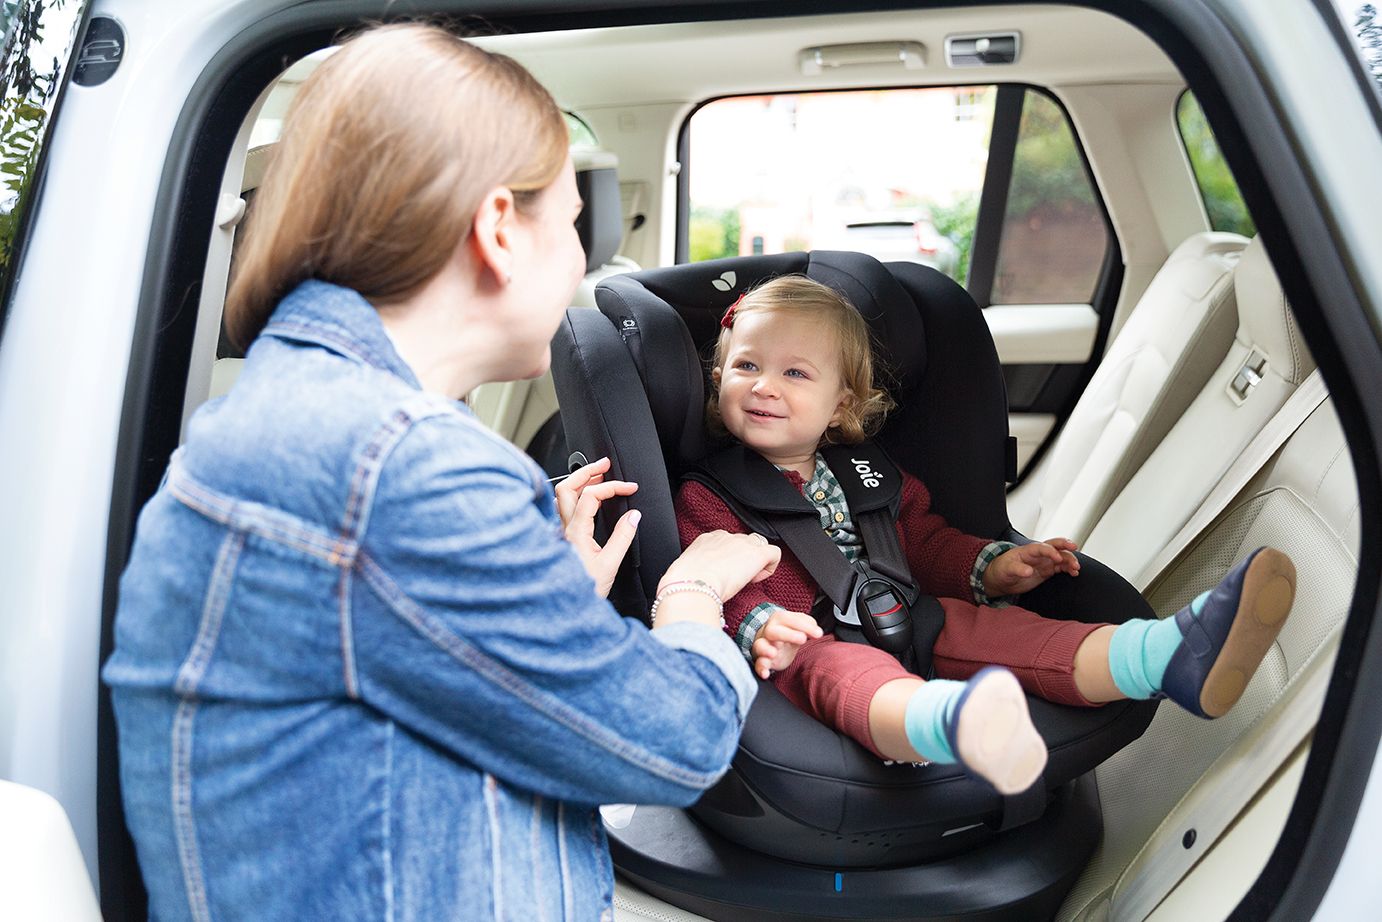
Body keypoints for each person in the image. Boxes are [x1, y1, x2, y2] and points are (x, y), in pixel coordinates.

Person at [102, 24, 780, 922]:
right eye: (574, 225)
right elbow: (674, 744)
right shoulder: (403, 471)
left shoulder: (302, 418)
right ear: (499, 228)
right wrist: (695, 592)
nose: (583, 264)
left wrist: (551, 587)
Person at [675, 275, 1297, 794]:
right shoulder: (709, 494)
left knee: (1017, 633)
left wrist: (992, 566)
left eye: (794, 373)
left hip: (917, 614)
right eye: (746, 366)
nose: (763, 385)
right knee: (853, 681)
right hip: (807, 645)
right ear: (719, 375)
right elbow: (704, 588)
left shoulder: (869, 477)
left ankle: (1164, 656)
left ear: (841, 405)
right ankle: (956, 724)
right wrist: (760, 622)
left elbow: (923, 544)